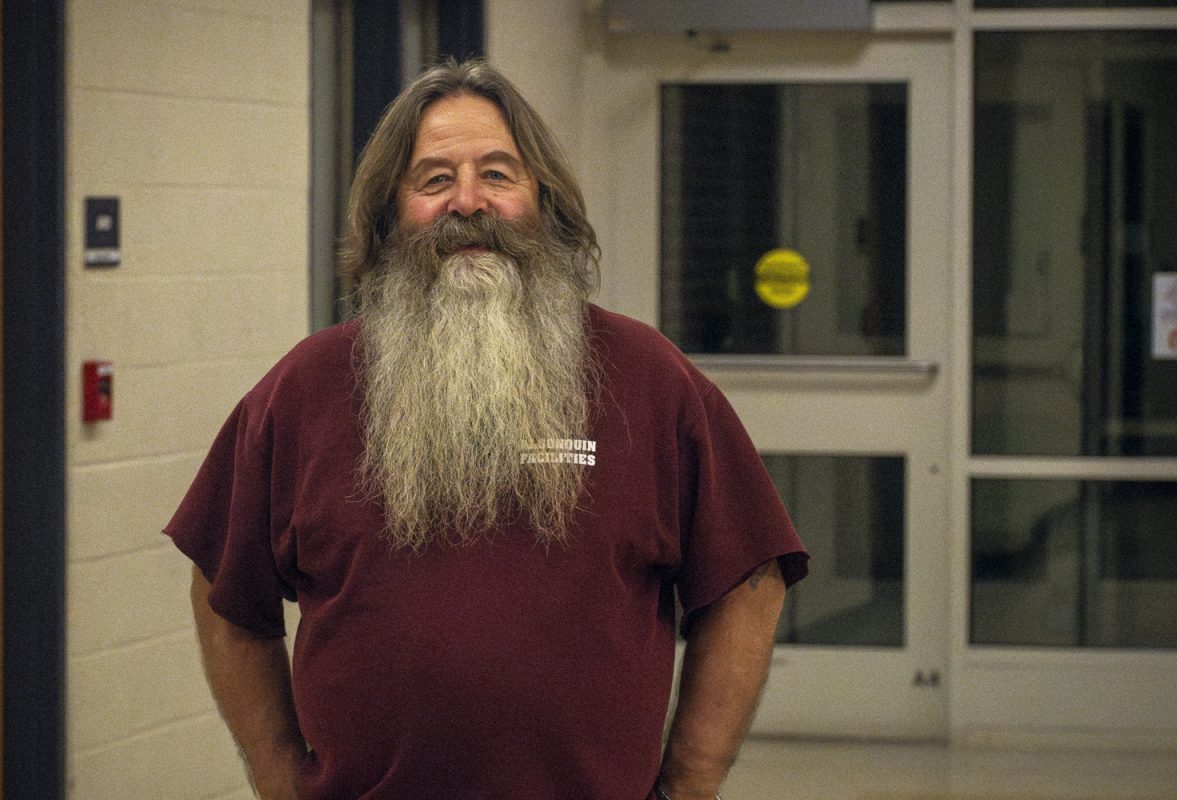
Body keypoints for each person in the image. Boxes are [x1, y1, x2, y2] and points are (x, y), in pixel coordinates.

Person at [166, 58, 808, 800]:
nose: (467, 202)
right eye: (434, 180)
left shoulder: (649, 381)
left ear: (545, 201)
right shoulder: (305, 389)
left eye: (498, 175)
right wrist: (277, 775)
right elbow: (223, 585)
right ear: (389, 213)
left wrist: (691, 779)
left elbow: (750, 577)